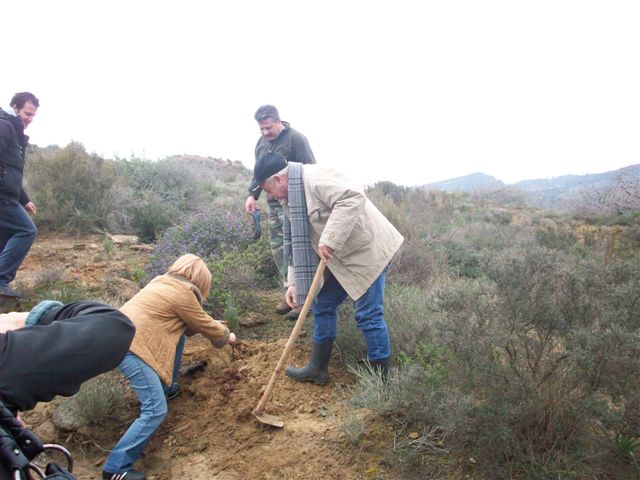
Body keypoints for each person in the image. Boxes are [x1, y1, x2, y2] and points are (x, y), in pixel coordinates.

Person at [253, 152, 404, 385]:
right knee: (322, 303)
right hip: (341, 257)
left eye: (268, 189)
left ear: (279, 179)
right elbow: (296, 241)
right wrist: (293, 283)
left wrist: (330, 238)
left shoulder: (314, 178)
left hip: (367, 253)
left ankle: (382, 384)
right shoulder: (290, 198)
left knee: (368, 315)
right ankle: (318, 368)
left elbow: (352, 198)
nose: (269, 196)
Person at [102, 254, 236, 480]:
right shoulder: (183, 293)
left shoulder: (160, 282)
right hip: (132, 347)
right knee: (155, 410)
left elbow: (186, 324)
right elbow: (205, 325)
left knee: (180, 334)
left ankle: (168, 387)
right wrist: (227, 336)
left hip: (118, 336)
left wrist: (207, 323)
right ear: (201, 282)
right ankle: (116, 469)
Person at [0, 300, 136, 415]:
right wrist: (31, 319)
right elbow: (113, 326)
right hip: (135, 350)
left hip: (131, 346)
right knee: (154, 408)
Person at [244, 105, 316, 320]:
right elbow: (259, 173)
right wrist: (252, 195)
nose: (266, 133)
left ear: (278, 121)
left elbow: (311, 169)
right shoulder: (261, 143)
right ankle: (289, 293)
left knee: (299, 246)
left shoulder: (296, 139)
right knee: (279, 248)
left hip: (296, 202)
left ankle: (305, 297)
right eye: (262, 129)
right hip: (274, 204)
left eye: (268, 128)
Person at [0, 92, 40, 298]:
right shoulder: (4, 126)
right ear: (15, 107)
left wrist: (25, 199)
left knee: (5, 240)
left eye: (33, 115)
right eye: (27, 113)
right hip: (2, 198)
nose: (29, 119)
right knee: (26, 231)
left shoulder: (14, 132)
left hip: (9, 195)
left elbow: (11, 171)